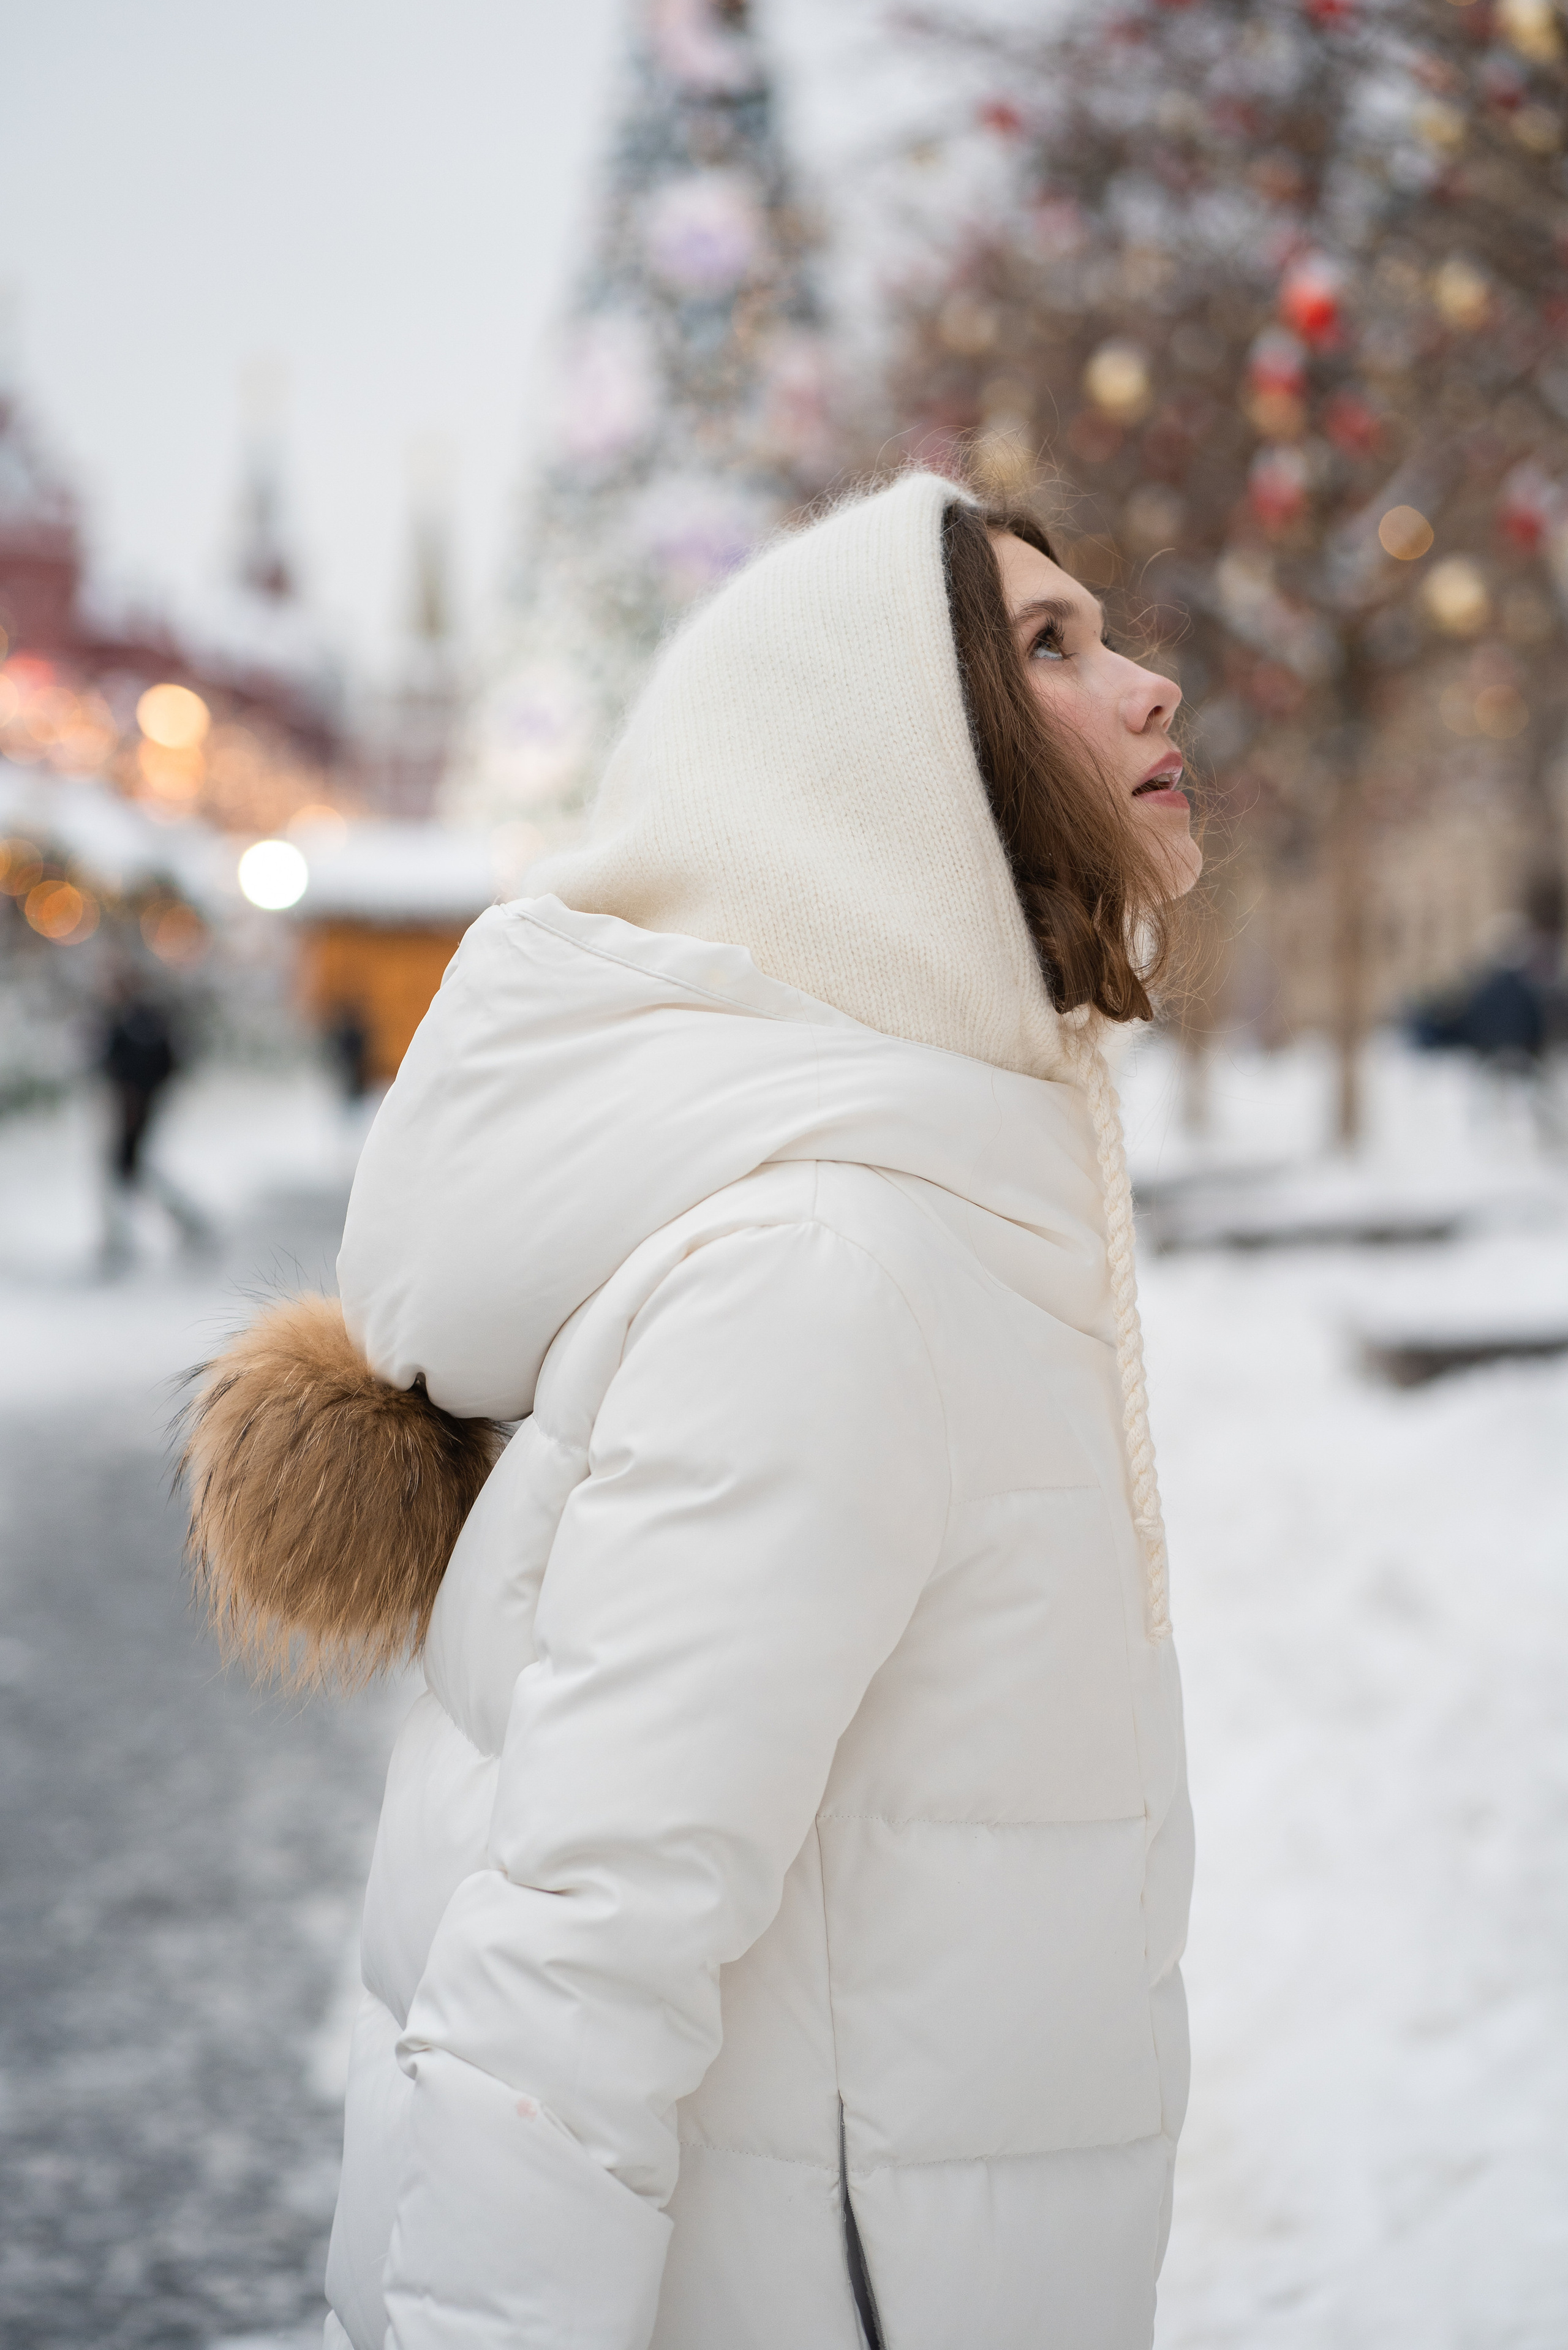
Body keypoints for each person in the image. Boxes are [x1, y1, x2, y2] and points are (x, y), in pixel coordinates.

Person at [183, 471, 1200, 2348]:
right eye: (1050, 648)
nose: (1152, 687)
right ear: (891, 767)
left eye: (1107, 631)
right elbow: (576, 1954)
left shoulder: (938, 1194)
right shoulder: (826, 1270)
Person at [99, 972, 210, 1266]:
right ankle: (127, 1233)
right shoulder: (128, 1020)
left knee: (127, 1169)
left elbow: (149, 1065)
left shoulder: (140, 1023)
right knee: (130, 1169)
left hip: (136, 1107)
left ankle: (125, 1235)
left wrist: (139, 1097)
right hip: (132, 1106)